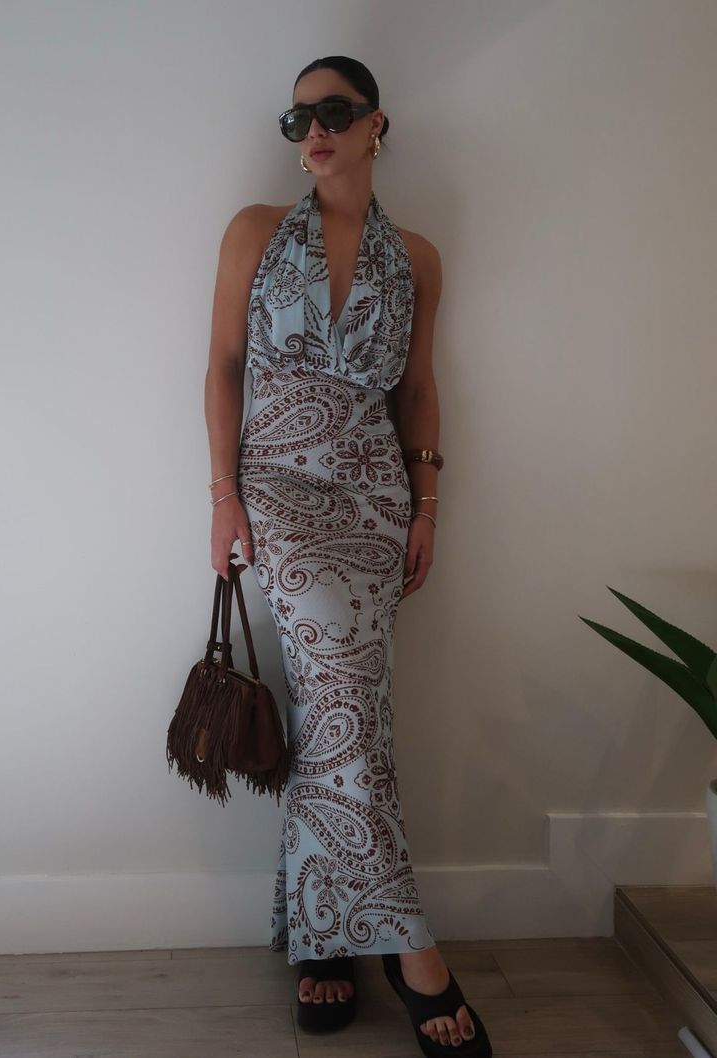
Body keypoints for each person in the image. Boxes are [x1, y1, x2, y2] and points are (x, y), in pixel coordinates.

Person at [204, 56, 491, 1056]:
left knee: (348, 710)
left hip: (373, 493)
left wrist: (427, 502)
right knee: (336, 691)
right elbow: (223, 365)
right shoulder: (253, 231)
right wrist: (223, 497)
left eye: (334, 111)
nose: (313, 130)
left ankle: (321, 939)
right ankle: (412, 949)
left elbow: (417, 387)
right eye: (299, 117)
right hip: (279, 486)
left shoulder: (416, 257)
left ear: (377, 125)